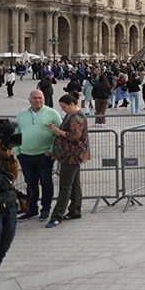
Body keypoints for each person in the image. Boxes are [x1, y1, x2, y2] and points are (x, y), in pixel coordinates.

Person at [13, 90, 62, 222]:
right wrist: (17, 151)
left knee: (46, 182)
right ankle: (31, 209)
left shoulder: (52, 113)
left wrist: (52, 150)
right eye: (35, 98)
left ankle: (45, 209)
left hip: (44, 155)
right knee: (30, 183)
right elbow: (15, 132)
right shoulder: (22, 115)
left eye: (40, 98)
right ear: (29, 100)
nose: (38, 100)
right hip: (25, 155)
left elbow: (60, 133)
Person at [44, 92, 89, 228]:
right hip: (71, 154)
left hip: (72, 155)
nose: (62, 110)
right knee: (74, 184)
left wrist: (57, 131)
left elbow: (74, 136)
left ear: (71, 104)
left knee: (65, 186)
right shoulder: (71, 115)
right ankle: (75, 210)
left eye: (64, 107)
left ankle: (57, 215)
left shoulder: (76, 117)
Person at [0, 116, 19, 290]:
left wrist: (6, 154)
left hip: (7, 202)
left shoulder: (1, 151)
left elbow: (13, 175)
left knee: (2, 248)